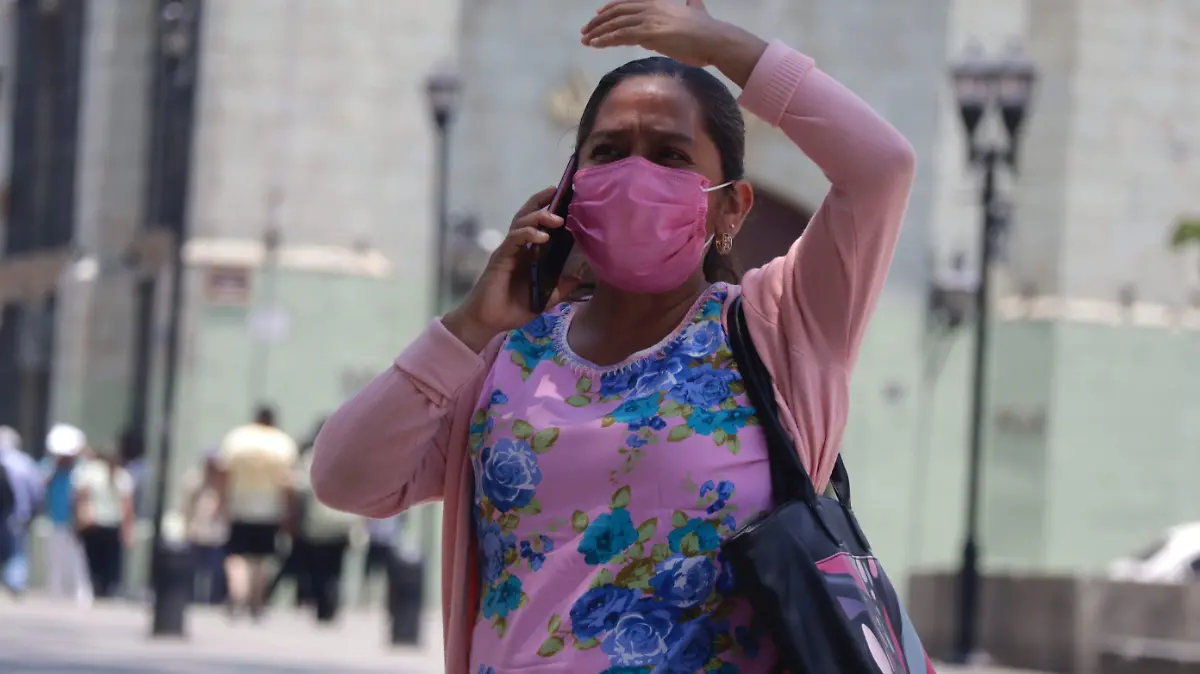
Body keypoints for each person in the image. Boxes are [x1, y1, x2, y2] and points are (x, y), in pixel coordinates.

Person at [311, 2, 914, 672]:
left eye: (670, 155)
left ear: (730, 206)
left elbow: (880, 167)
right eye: (607, 151)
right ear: (571, 189)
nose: (635, 175)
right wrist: (469, 325)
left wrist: (722, 45)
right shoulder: (508, 355)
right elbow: (345, 479)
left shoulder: (778, 329)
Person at [217, 405, 298, 619]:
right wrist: (289, 510)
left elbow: (224, 472)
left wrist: (222, 501)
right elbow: (287, 482)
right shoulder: (282, 443)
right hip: (269, 508)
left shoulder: (238, 439)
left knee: (236, 555)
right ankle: (256, 600)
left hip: (240, 504)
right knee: (261, 557)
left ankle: (237, 593)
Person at [292, 443, 359, 623]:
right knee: (336, 568)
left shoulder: (311, 458)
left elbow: (300, 487)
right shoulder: (351, 457)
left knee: (319, 568)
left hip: (318, 523)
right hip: (345, 521)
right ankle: (331, 605)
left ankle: (323, 607)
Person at [72, 443, 135, 599]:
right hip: (97, 522)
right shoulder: (93, 473)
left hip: (109, 523)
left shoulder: (121, 477)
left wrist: (128, 528)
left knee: (107, 560)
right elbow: (82, 497)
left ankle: (105, 589)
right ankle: (98, 588)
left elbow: (127, 505)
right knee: (97, 559)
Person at [42, 423, 94, 606]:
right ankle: (55, 590)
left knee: (77, 559)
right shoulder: (51, 469)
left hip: (74, 522)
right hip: (56, 520)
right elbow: (41, 482)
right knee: (55, 558)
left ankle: (81, 592)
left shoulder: (80, 469)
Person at [0, 426, 44, 597]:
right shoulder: (24, 462)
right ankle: (16, 583)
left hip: (8, 511)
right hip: (18, 513)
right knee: (16, 550)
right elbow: (37, 490)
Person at [182, 447, 229, 604]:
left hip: (216, 534)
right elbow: (187, 507)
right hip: (197, 531)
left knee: (216, 571)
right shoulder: (195, 480)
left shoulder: (223, 483)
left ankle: (214, 601)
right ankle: (191, 599)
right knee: (194, 570)